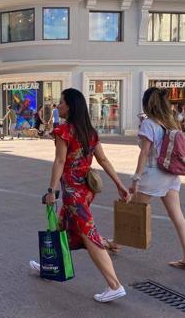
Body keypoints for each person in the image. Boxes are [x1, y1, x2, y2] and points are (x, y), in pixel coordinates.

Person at [29, 88, 130, 303]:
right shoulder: (89, 131)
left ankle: (114, 285)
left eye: (61, 103)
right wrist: (119, 184)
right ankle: (49, 265)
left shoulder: (64, 131)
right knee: (60, 227)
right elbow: (103, 160)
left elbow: (59, 161)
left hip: (74, 194)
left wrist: (51, 191)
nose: (58, 106)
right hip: (84, 192)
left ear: (71, 106)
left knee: (88, 235)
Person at [129, 87, 185, 271]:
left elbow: (144, 153)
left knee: (132, 211)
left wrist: (136, 178)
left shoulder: (149, 124)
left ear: (146, 104)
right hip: (171, 174)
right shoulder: (170, 122)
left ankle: (116, 243)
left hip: (153, 174)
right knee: (177, 216)